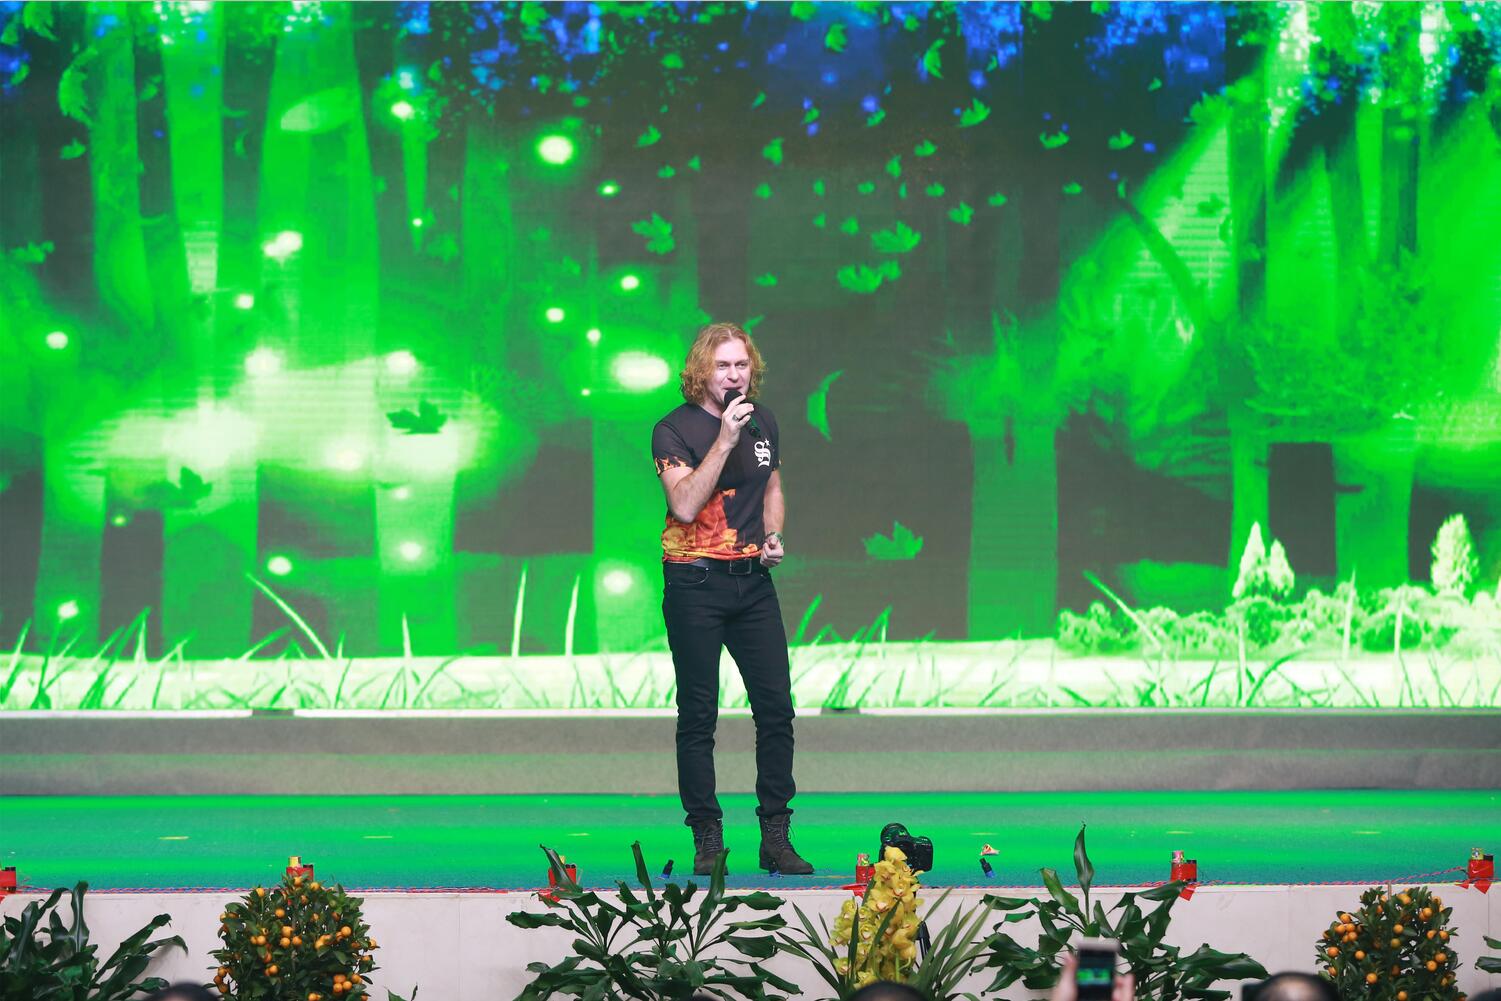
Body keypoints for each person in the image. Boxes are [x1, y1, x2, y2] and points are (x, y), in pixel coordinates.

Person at [651, 322, 811, 877]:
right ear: (702, 371)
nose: (734, 375)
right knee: (699, 714)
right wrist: (723, 440)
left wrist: (774, 536)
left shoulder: (763, 419)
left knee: (776, 709)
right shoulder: (673, 430)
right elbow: (685, 506)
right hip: (694, 581)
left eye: (742, 365)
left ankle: (776, 837)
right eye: (723, 366)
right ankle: (707, 839)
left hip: (752, 582)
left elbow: (772, 487)